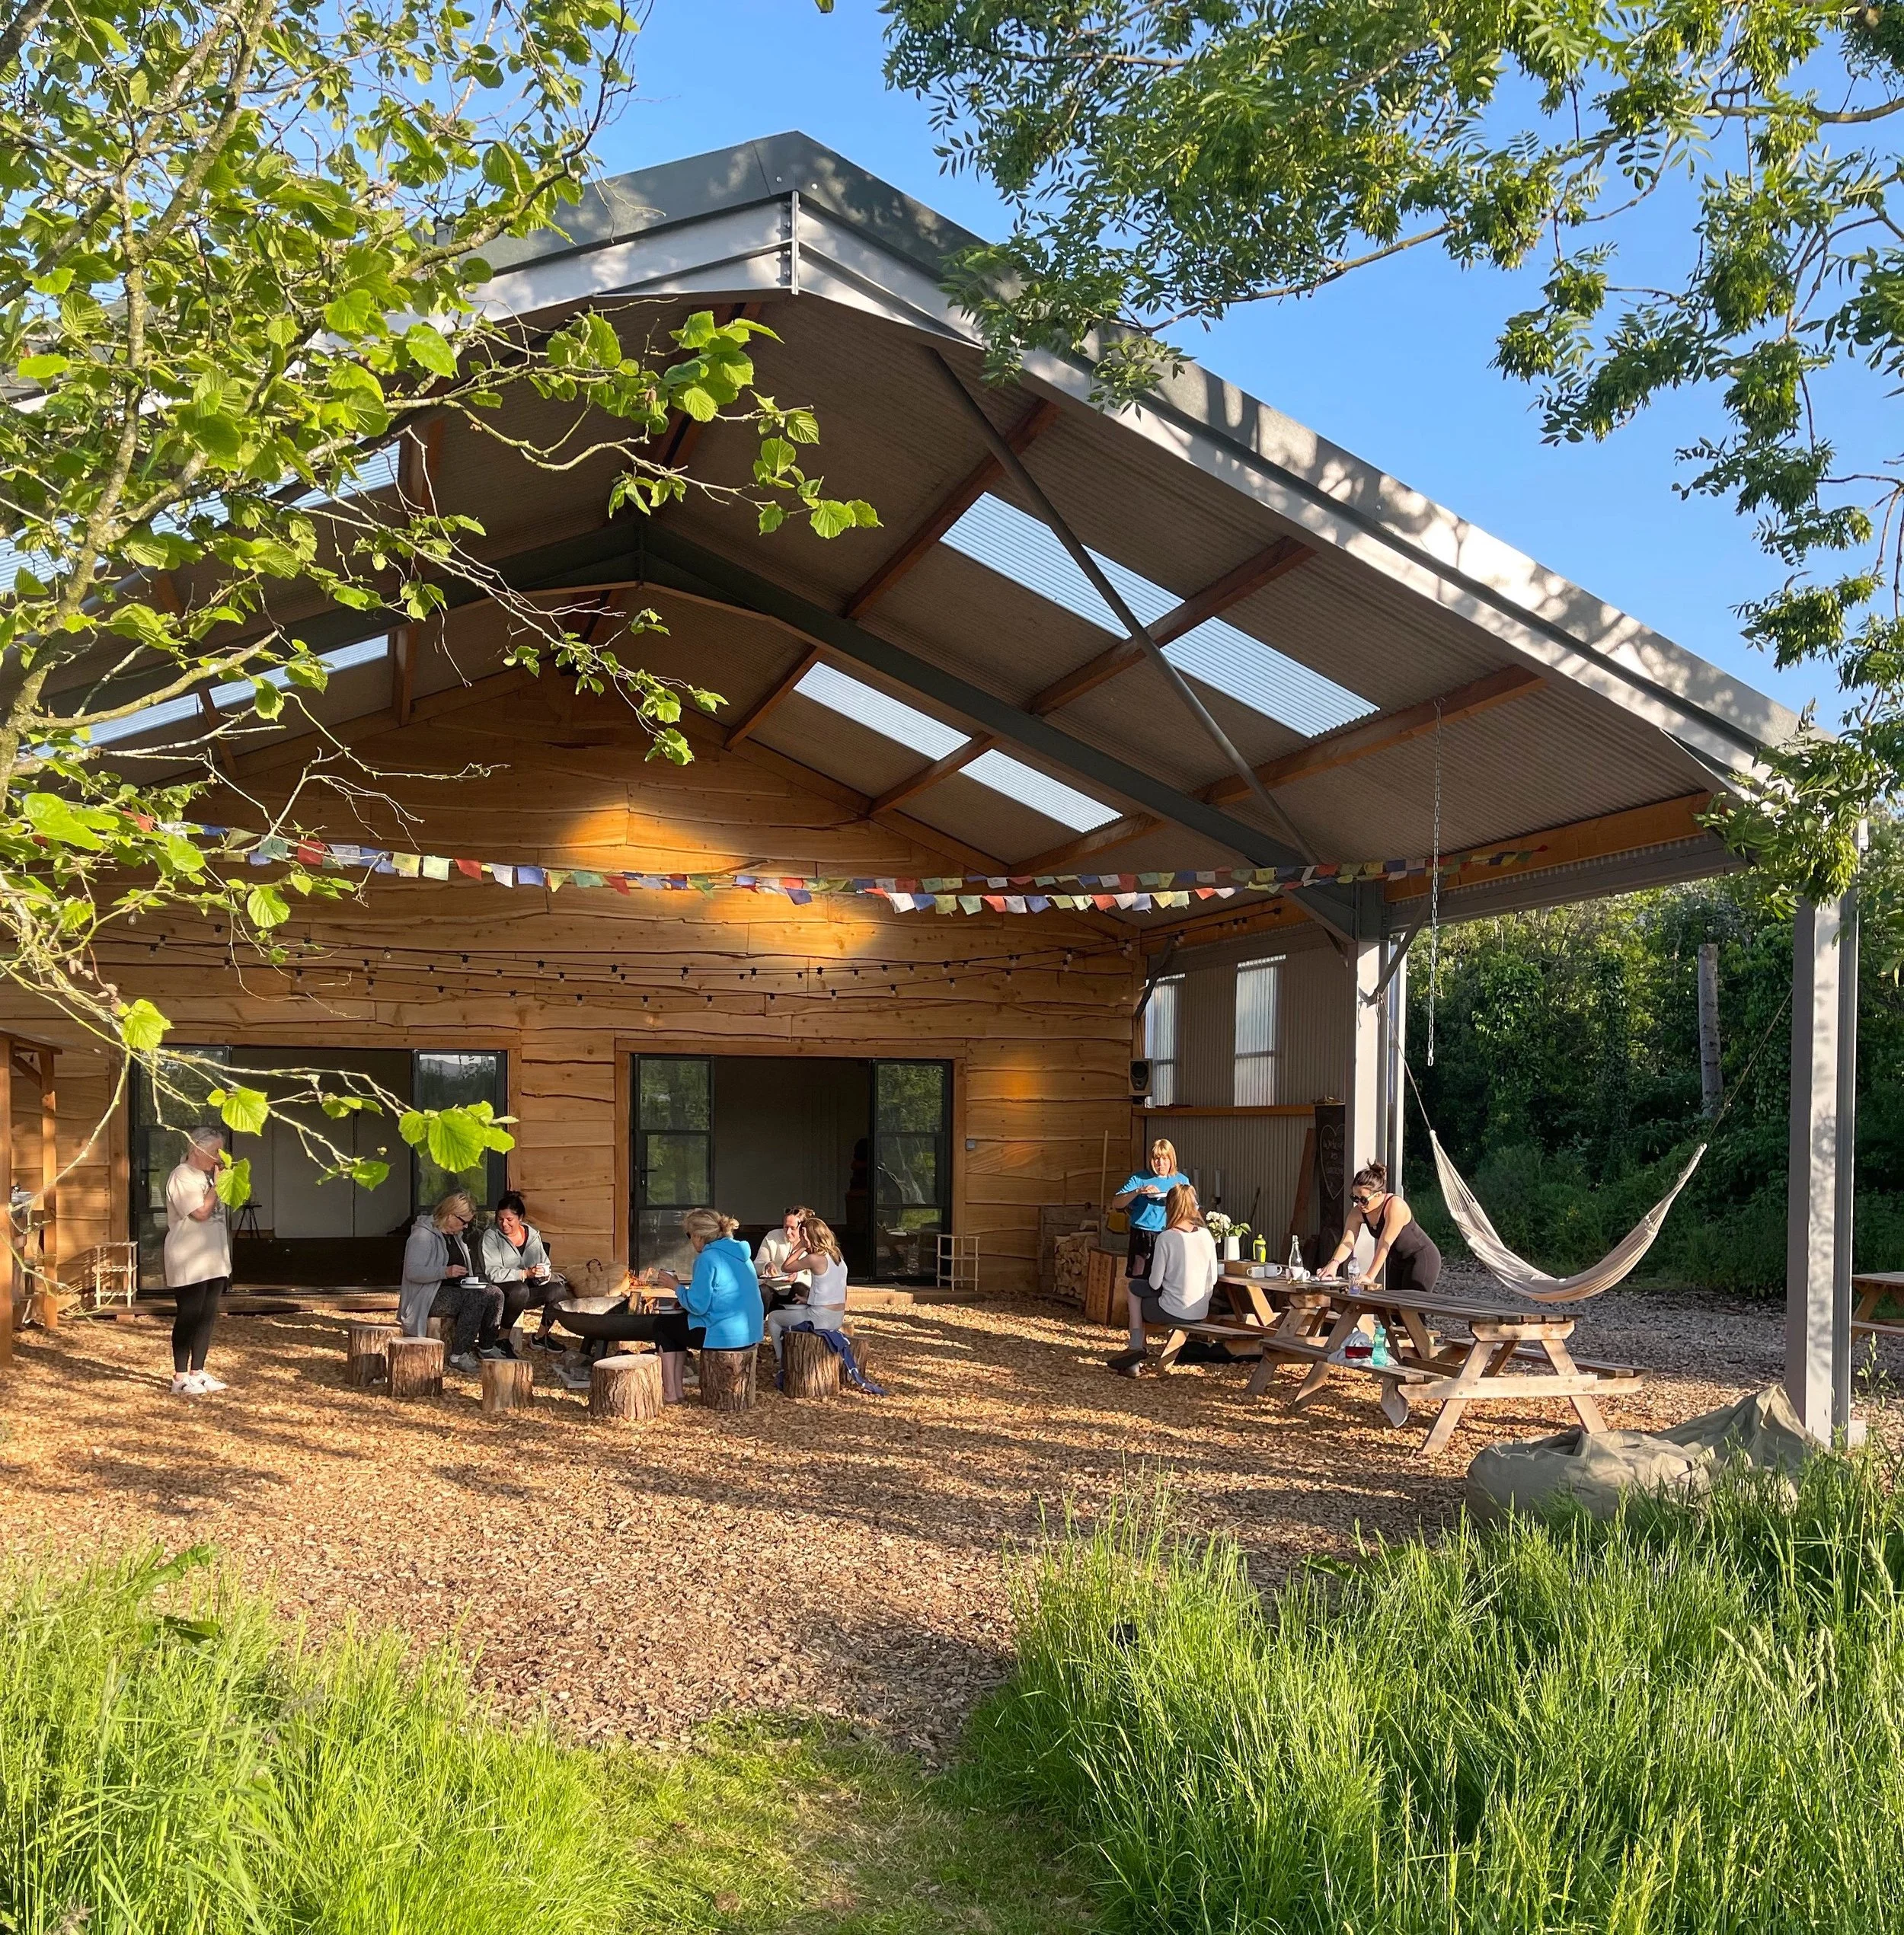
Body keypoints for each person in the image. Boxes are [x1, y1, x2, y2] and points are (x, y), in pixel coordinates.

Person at [629, 1208, 763, 1403]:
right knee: (676, 1325)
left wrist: (676, 1287)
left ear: (700, 1236)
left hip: (724, 1335)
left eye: (689, 1235)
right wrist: (684, 1299)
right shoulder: (740, 1254)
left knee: (662, 1325)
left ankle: (672, 1392)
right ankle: (676, 1391)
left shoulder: (707, 1259)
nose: (690, 1241)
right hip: (750, 1332)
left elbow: (699, 1306)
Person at [1109, 1182, 1219, 1377]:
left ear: (1170, 1206)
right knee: (1141, 1290)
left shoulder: (1166, 1238)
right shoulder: (1207, 1236)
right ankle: (1136, 1353)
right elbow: (1214, 1278)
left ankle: (1135, 1350)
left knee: (1134, 1289)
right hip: (1200, 1310)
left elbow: (1154, 1284)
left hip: (1171, 1311)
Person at [399, 1192, 506, 1370]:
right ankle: (459, 1354)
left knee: (495, 1293)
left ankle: (486, 1345)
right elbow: (413, 1272)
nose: (465, 1227)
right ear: (450, 1215)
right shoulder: (422, 1236)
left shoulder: (455, 1237)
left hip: (454, 1290)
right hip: (427, 1295)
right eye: (463, 1221)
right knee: (475, 1298)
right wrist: (445, 1272)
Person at [164, 1125, 232, 1395]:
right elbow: (201, 1212)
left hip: (214, 1256)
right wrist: (216, 1185)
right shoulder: (182, 1176)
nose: (219, 1158)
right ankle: (180, 1377)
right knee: (189, 1315)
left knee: (207, 1316)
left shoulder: (208, 1176)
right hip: (189, 1256)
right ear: (196, 1148)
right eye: (215, 1151)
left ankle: (198, 1372)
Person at [1318, 1161, 1442, 1296]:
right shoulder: (1357, 1212)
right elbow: (1347, 1242)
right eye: (1354, 1198)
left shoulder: (1395, 1206)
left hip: (1421, 1256)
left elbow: (1384, 1244)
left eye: (1363, 1200)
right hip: (1397, 1260)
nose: (1359, 1204)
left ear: (1379, 1194)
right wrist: (1334, 1263)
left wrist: (1370, 1276)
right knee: (1393, 1309)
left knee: (1413, 1308)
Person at [479, 1190, 561, 1353]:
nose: (504, 1224)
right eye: (500, 1219)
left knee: (558, 1290)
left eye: (510, 1220)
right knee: (520, 1290)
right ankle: (502, 1339)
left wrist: (543, 1275)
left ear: (520, 1218)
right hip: (499, 1289)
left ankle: (540, 1337)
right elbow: (492, 1273)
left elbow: (544, 1262)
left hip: (526, 1288)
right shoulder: (491, 1237)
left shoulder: (532, 1235)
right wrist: (523, 1274)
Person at [767, 1211, 848, 1362]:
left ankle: (780, 1358)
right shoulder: (838, 1257)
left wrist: (802, 1247)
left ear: (811, 1237)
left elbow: (786, 1267)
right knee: (799, 1310)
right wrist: (809, 1300)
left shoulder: (815, 1259)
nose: (802, 1237)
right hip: (837, 1317)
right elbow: (839, 1290)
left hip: (820, 1319)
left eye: (804, 1235)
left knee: (773, 1318)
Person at [1111, 1138, 1192, 1289]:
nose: (1160, 1163)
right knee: (1139, 1277)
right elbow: (1116, 1203)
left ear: (1171, 1159)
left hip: (1170, 1234)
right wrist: (1138, 1191)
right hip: (1142, 1234)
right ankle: (1138, 1310)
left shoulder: (1181, 1181)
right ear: (1151, 1160)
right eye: (1156, 1159)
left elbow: (1191, 1208)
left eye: (1165, 1158)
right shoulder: (1139, 1179)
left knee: (1168, 1276)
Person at [753, 1204, 813, 1313]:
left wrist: (798, 1276)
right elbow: (757, 1264)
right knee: (762, 1291)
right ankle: (761, 1324)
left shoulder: (811, 1242)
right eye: (786, 1227)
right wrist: (766, 1265)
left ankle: (799, 1322)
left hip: (799, 1291)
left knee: (800, 1287)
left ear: (803, 1228)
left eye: (793, 1228)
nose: (788, 1232)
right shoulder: (772, 1237)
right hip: (774, 1290)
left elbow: (817, 1273)